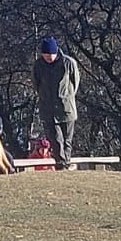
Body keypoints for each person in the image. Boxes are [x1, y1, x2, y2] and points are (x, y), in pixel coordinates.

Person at [32, 36, 80, 171]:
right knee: (56, 140)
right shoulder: (38, 65)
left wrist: (66, 96)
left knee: (67, 141)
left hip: (66, 108)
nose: (48, 57)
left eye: (50, 54)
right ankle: (62, 165)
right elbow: (36, 84)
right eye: (45, 54)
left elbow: (75, 83)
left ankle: (64, 164)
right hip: (48, 109)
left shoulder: (68, 63)